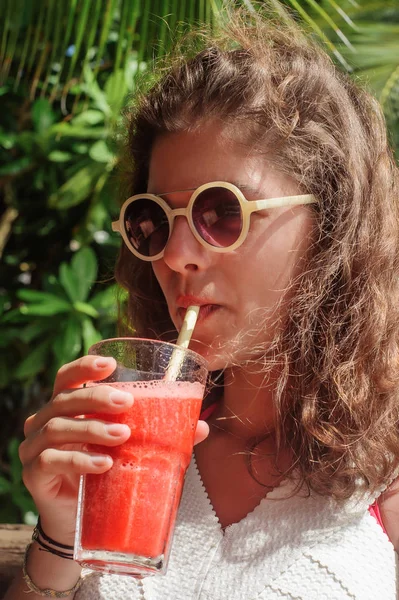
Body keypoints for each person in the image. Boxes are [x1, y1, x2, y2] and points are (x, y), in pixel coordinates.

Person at [5, 2, 399, 599]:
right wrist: (60, 535)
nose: (175, 254)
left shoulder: (386, 472)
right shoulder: (128, 437)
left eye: (222, 212)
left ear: (331, 224)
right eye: (153, 221)